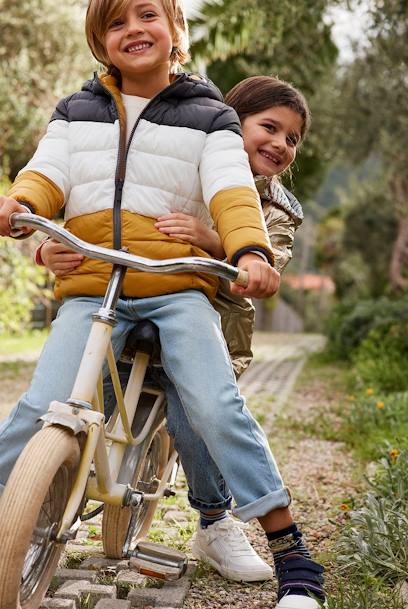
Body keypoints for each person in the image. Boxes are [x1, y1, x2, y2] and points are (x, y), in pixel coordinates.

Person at [0, 1, 325, 607]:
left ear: (176, 32)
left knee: (212, 406)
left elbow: (231, 192)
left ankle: (291, 556)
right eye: (115, 22)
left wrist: (249, 250)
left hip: (177, 289)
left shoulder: (212, 118)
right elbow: (47, 173)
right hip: (95, 287)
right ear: (100, 41)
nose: (132, 30)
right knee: (37, 406)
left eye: (146, 14)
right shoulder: (76, 111)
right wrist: (22, 205)